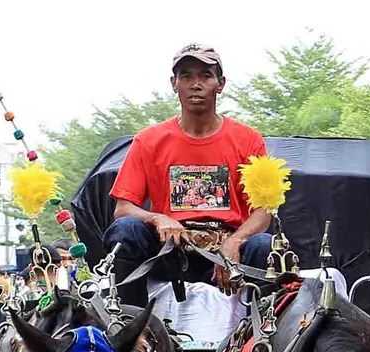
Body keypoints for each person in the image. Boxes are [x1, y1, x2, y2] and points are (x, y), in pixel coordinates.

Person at [104, 43, 275, 307]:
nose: (196, 84)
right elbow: (123, 209)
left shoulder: (247, 139)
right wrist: (158, 218)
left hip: (229, 255)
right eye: (186, 76)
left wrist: (235, 242)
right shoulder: (149, 140)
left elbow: (264, 209)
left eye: (205, 76)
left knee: (265, 245)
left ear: (220, 83)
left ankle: (263, 338)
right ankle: (131, 326)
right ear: (174, 83)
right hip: (169, 254)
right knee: (126, 230)